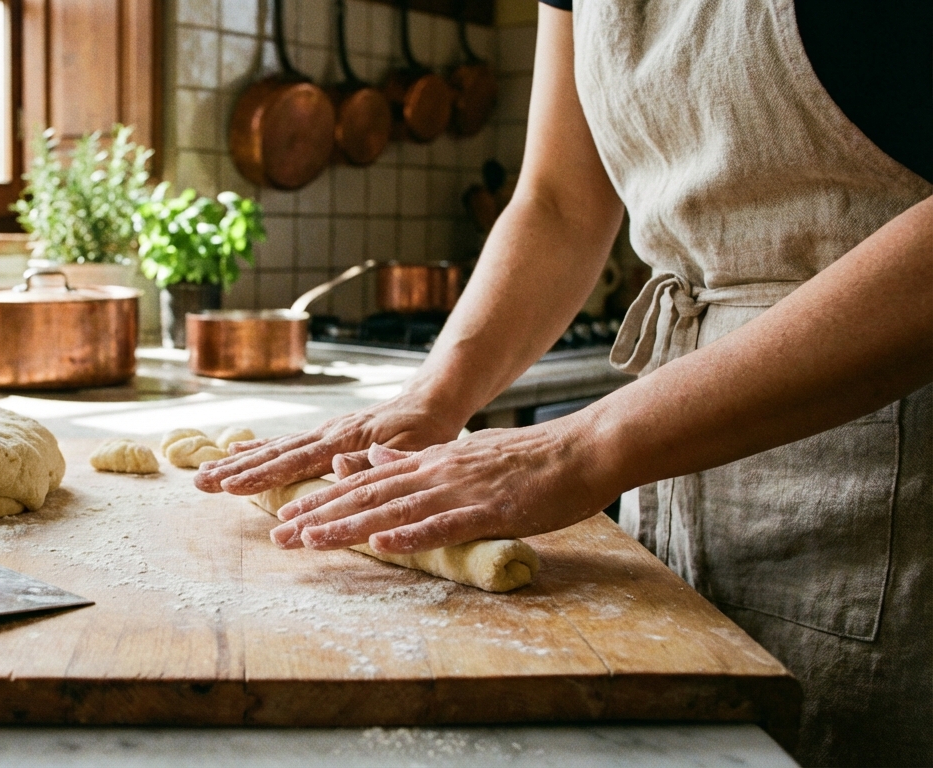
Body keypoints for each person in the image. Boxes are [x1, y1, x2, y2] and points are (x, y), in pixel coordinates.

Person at [195, 1, 933, 765]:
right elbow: (559, 202)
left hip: (882, 464)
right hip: (673, 458)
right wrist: (434, 397)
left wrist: (579, 449)